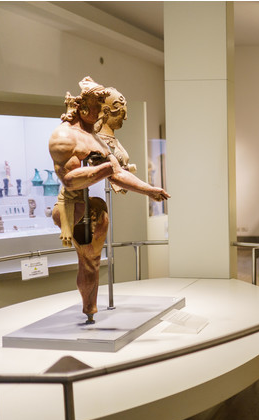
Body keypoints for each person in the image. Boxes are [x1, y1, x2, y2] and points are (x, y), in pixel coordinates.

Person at [48, 77, 169, 323]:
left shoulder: (95, 137)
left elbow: (118, 174)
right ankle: (89, 308)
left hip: (92, 208)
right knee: (87, 260)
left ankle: (90, 309)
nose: (101, 113)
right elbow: (70, 181)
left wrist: (148, 190)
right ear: (83, 108)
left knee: (92, 260)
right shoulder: (63, 137)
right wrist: (104, 170)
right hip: (72, 209)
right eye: (98, 107)